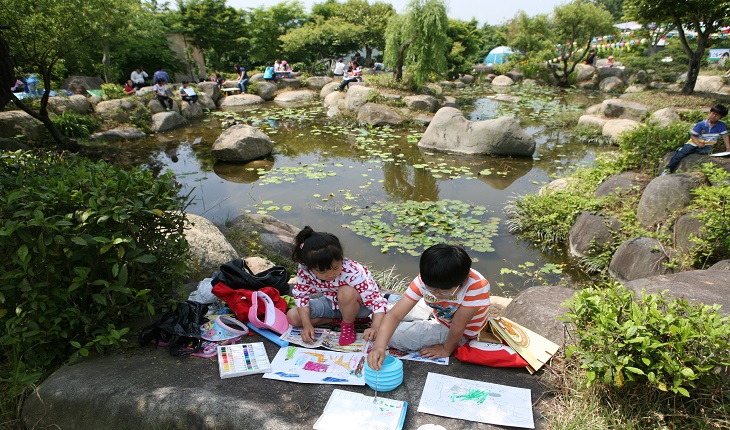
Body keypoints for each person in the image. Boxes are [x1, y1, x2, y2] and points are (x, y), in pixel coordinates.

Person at [367, 244, 491, 369]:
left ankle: (429, 328)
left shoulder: (477, 286)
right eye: (431, 289)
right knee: (381, 314)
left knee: (394, 336)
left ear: (463, 281)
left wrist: (446, 349)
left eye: (444, 292)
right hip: (437, 311)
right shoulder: (428, 278)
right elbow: (394, 315)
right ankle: (424, 321)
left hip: (458, 331)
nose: (437, 294)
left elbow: (458, 327)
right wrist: (379, 348)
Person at [286, 226, 387, 346]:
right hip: (332, 304)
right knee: (293, 317)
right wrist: (307, 325)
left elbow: (377, 302)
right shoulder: (305, 270)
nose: (331, 274)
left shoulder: (353, 271)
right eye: (322, 272)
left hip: (358, 307)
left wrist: (375, 327)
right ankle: (340, 321)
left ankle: (349, 324)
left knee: (345, 292)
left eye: (335, 267)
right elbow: (301, 296)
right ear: (310, 268)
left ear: (341, 258)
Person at [662, 104, 730, 175]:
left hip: (707, 145)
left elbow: (725, 136)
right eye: (713, 113)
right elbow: (693, 135)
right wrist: (698, 143)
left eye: (717, 115)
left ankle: (692, 151)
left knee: (706, 152)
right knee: (681, 154)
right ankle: (668, 169)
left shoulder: (722, 125)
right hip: (694, 142)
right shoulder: (701, 124)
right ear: (710, 112)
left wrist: (728, 148)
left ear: (722, 117)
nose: (714, 116)